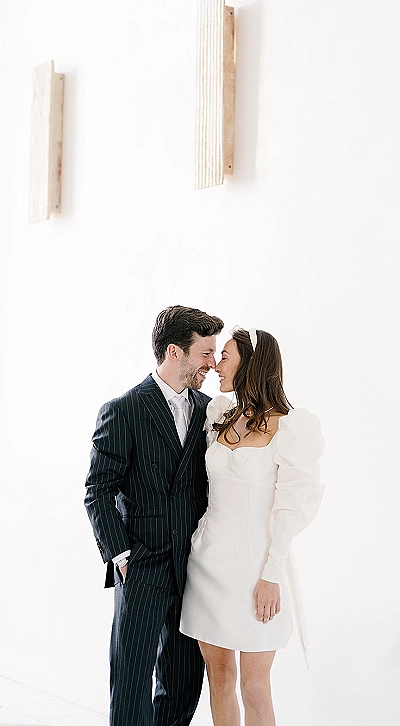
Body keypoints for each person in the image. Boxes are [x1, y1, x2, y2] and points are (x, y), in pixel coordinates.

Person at [85, 305, 224, 726]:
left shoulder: (210, 411)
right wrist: (121, 555)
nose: (212, 364)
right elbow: (98, 488)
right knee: (131, 681)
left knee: (183, 681)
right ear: (173, 352)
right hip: (141, 565)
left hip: (194, 567)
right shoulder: (123, 409)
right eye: (205, 353)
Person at [179, 327, 324, 726]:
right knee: (220, 676)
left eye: (224, 356)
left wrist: (271, 575)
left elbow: (289, 510)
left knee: (255, 687)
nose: (216, 364)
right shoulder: (218, 414)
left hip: (256, 568)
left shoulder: (292, 427)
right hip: (208, 562)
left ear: (250, 364)